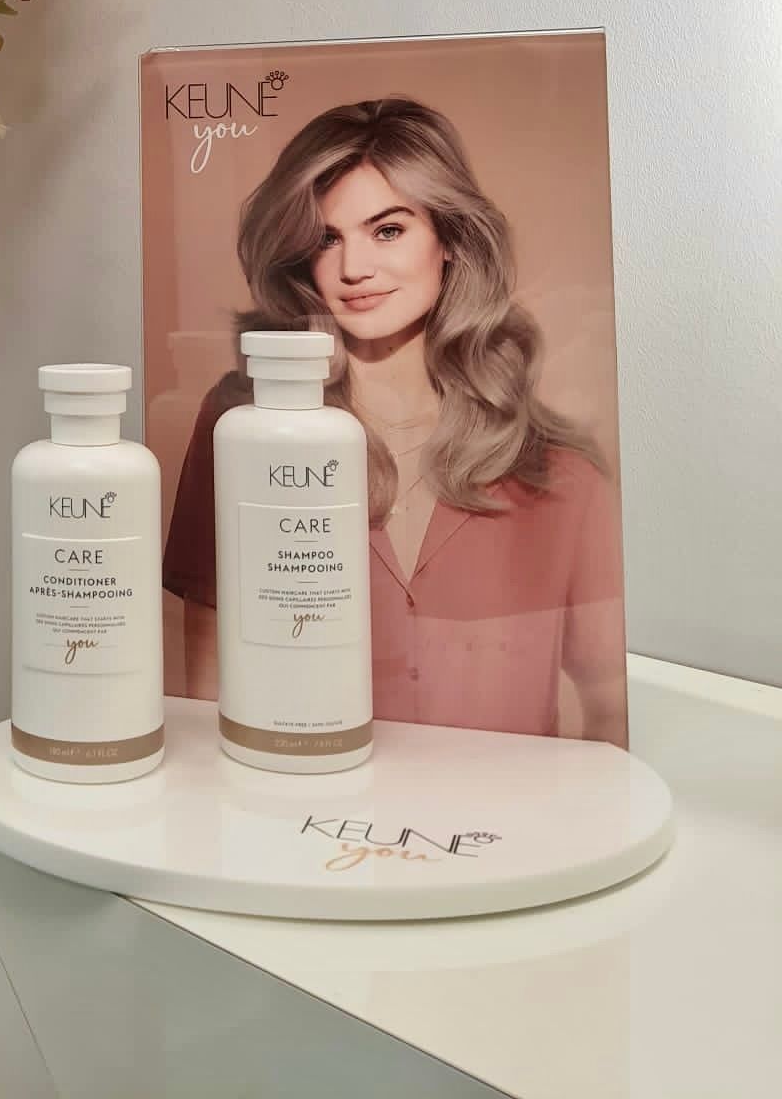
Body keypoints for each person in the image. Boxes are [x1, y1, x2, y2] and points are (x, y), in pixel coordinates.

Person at [161, 96, 627, 743]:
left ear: (450, 240)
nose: (354, 269)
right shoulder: (243, 426)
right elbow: (208, 686)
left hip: (507, 806)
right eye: (326, 238)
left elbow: (612, 709)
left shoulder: (558, 472)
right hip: (300, 794)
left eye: (387, 231)